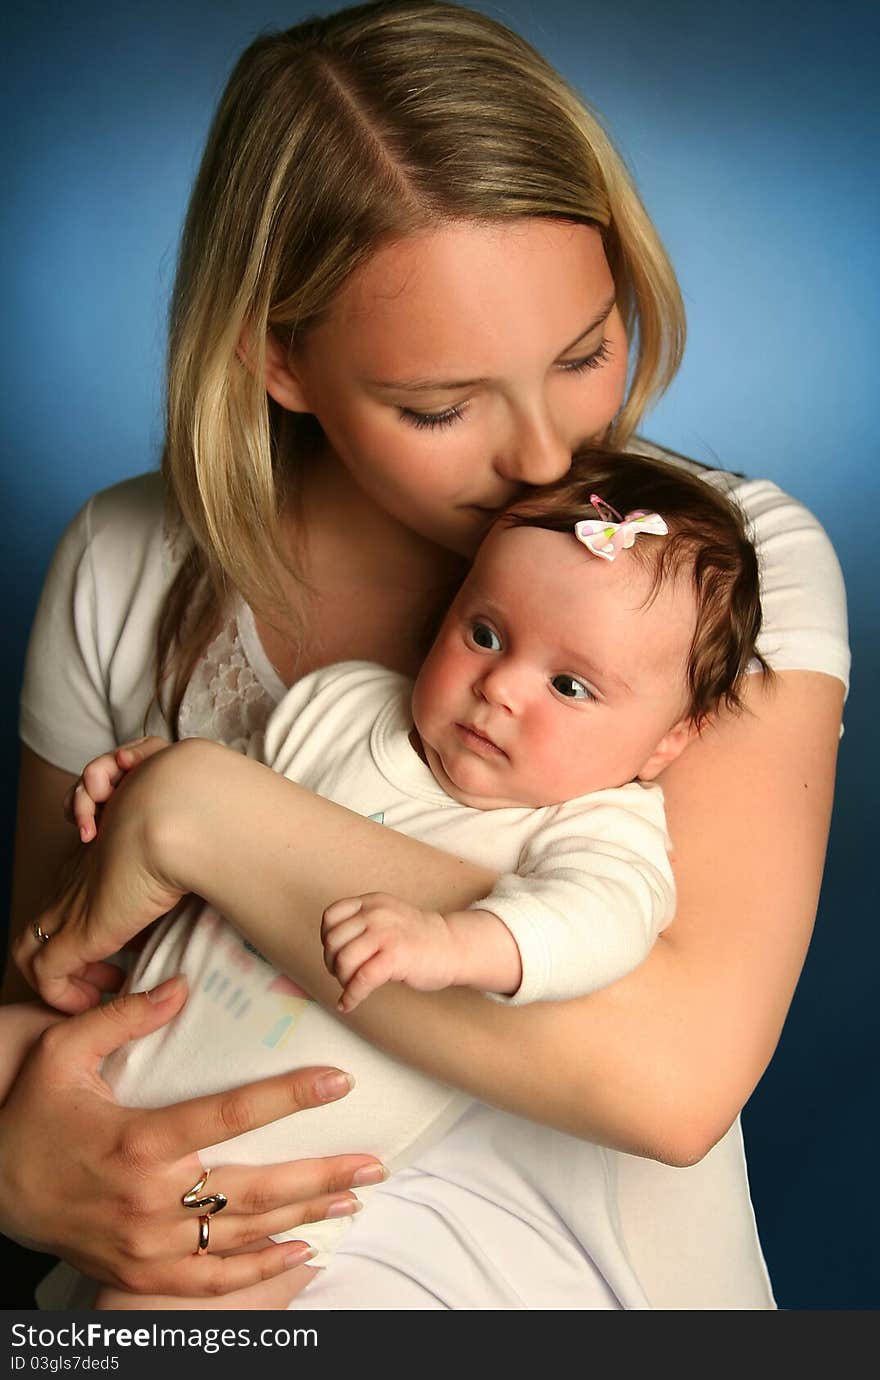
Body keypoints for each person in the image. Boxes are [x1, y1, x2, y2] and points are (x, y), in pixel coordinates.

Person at [3, 0, 848, 1311]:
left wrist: (202, 815)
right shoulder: (127, 559)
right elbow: (63, 1006)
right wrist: (18, 1168)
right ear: (277, 355)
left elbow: (668, 1079)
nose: (546, 460)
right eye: (440, 405)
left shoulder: (709, 570)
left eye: (584, 354)